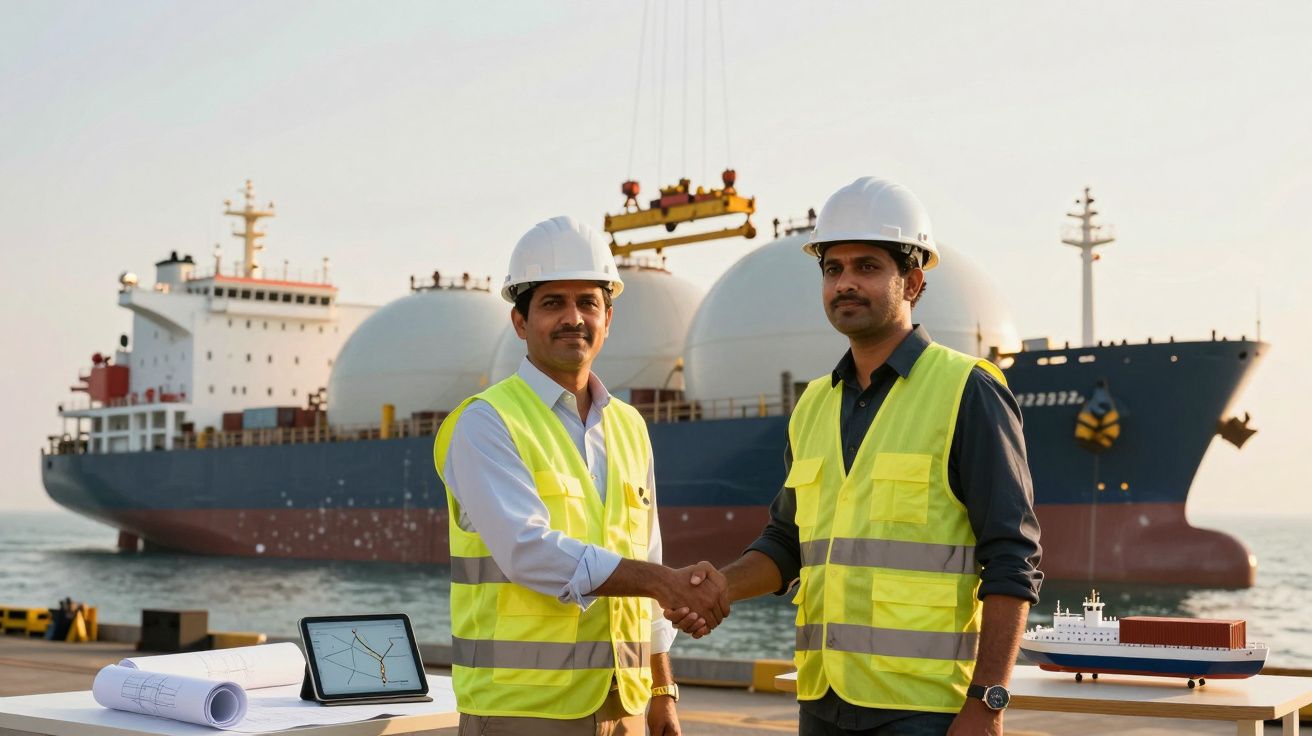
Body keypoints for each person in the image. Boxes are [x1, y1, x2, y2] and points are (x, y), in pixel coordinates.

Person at [668, 177, 1043, 736]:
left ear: (913, 282)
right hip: (822, 701)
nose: (845, 284)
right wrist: (721, 585)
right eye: (832, 269)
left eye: (867, 267)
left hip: (926, 711)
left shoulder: (968, 390)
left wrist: (987, 703)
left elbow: (1013, 557)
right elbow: (787, 543)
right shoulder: (812, 405)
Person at [434, 216, 727, 735]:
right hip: (523, 712)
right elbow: (530, 551)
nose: (573, 318)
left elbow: (649, 557)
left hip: (626, 706)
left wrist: (662, 691)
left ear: (608, 319)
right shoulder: (486, 422)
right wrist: (667, 584)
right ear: (520, 322)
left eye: (587, 303)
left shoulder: (630, 426)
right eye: (552, 303)